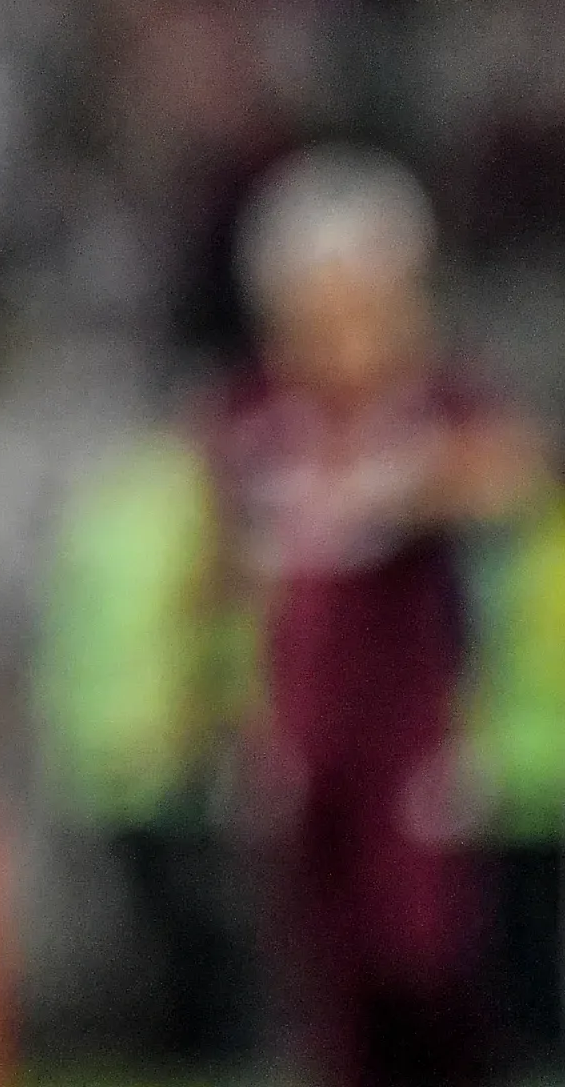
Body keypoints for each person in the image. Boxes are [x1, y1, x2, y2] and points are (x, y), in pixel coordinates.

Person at [205, 145, 550, 1087]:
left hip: (410, 735)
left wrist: (413, 486)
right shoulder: (258, 415)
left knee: (424, 961)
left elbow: (512, 473)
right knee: (332, 978)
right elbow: (228, 575)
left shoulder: (433, 408)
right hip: (303, 740)